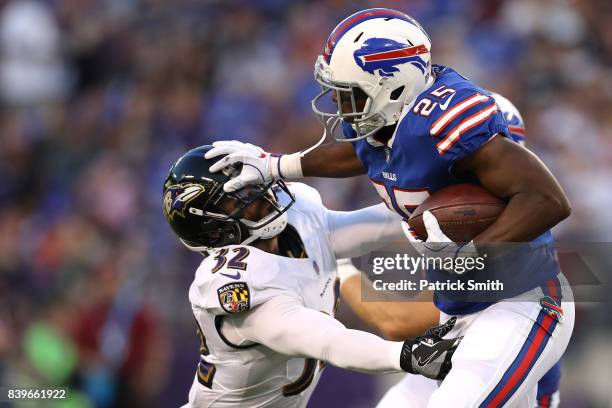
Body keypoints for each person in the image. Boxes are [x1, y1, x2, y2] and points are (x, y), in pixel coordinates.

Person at [205, 8, 574, 407]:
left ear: (395, 87)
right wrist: (279, 165)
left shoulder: (443, 122)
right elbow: (360, 152)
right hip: (456, 312)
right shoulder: (386, 120)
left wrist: (470, 255)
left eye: (350, 94)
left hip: (519, 301)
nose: (339, 105)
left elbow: (548, 199)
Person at [163, 145, 463, 408]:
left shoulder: (296, 217)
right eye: (238, 196)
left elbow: (363, 228)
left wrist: (433, 203)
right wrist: (407, 355)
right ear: (213, 230)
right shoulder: (236, 282)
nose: (261, 195)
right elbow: (330, 341)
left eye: (252, 185)